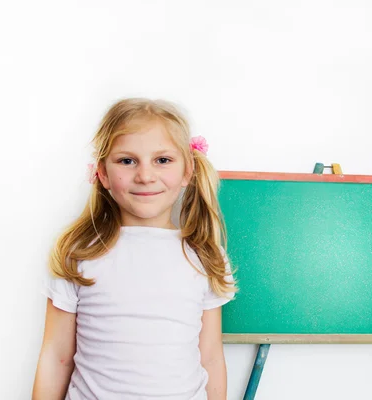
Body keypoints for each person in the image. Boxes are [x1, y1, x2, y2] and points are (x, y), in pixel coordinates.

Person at [32, 98, 238, 400]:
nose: (145, 175)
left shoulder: (204, 256)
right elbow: (56, 356)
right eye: (127, 161)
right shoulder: (78, 253)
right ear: (102, 173)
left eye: (162, 160)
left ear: (187, 171)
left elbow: (209, 357)